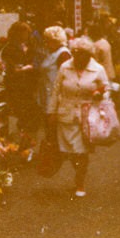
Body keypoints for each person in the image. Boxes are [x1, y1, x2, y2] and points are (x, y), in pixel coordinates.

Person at [48, 36, 109, 197]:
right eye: (75, 53)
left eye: (82, 53)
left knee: (81, 151)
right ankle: (79, 175)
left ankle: (80, 181)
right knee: (70, 151)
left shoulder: (98, 69)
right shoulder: (64, 67)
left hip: (87, 116)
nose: (78, 57)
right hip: (66, 114)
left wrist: (99, 94)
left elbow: (106, 89)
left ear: (89, 54)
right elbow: (56, 91)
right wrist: (51, 112)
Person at [2, 21, 40, 149]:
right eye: (23, 33)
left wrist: (30, 67)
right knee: (20, 114)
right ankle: (19, 145)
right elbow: (11, 68)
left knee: (30, 115)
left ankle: (27, 144)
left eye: (27, 33)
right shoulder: (9, 48)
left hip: (29, 85)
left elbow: (36, 63)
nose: (26, 36)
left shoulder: (31, 46)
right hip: (16, 87)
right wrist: (25, 68)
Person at [39, 26, 72, 142]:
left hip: (55, 97)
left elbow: (66, 77)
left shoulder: (63, 54)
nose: (46, 43)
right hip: (47, 94)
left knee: (53, 129)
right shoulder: (52, 52)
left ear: (55, 41)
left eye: (47, 40)